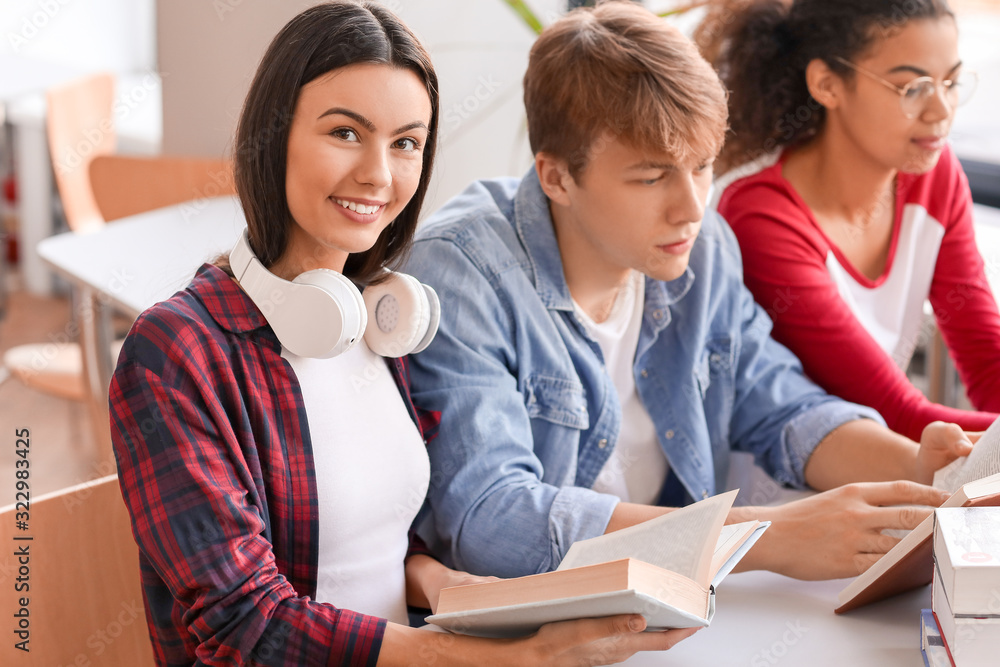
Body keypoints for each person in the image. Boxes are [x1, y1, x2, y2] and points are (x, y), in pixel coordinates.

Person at [108, 2, 698, 664]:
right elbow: (244, 624)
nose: (379, 175)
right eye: (345, 133)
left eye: (406, 142)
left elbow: (370, 539)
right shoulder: (177, 352)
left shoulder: (374, 319)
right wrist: (510, 658)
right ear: (273, 136)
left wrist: (446, 585)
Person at [403, 0, 971, 584]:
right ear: (556, 177)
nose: (691, 208)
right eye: (651, 177)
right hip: (532, 626)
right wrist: (759, 537)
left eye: (701, 167)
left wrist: (922, 468)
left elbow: (781, 406)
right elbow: (492, 522)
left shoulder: (702, 248)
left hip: (671, 607)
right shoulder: (463, 275)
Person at [702, 0, 1000, 441]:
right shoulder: (760, 215)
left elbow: (986, 360)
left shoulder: (933, 173)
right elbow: (895, 412)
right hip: (788, 497)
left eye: (950, 82)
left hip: (894, 471)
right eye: (912, 87)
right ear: (827, 84)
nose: (941, 111)